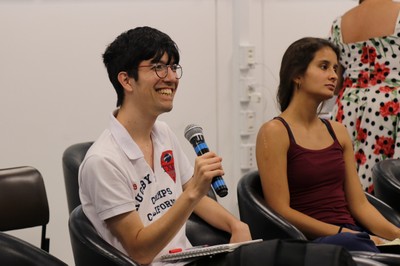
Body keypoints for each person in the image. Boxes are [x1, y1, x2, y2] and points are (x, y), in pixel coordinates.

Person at [255, 37, 400, 253]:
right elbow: (280, 210)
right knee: (355, 244)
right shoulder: (274, 132)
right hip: (311, 242)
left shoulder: (338, 131)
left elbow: (359, 205)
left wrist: (396, 235)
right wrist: (344, 234)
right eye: (324, 67)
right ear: (297, 75)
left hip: (352, 235)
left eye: (335, 68)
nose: (334, 75)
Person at [328, 0, 400, 193]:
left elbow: (335, 83)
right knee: (387, 185)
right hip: (390, 108)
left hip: (347, 108)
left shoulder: (339, 24)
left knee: (347, 185)